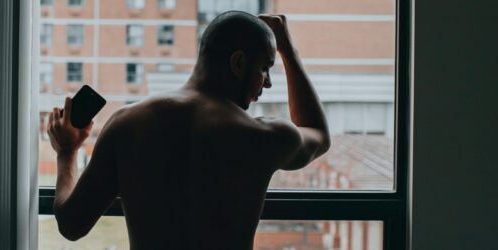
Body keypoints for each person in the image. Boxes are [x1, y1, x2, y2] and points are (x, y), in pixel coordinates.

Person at [46, 11, 330, 249]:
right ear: (238, 63)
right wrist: (287, 50)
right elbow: (317, 133)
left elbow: (71, 225)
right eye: (265, 68)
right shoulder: (261, 137)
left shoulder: (127, 124)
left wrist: (67, 152)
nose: (267, 83)